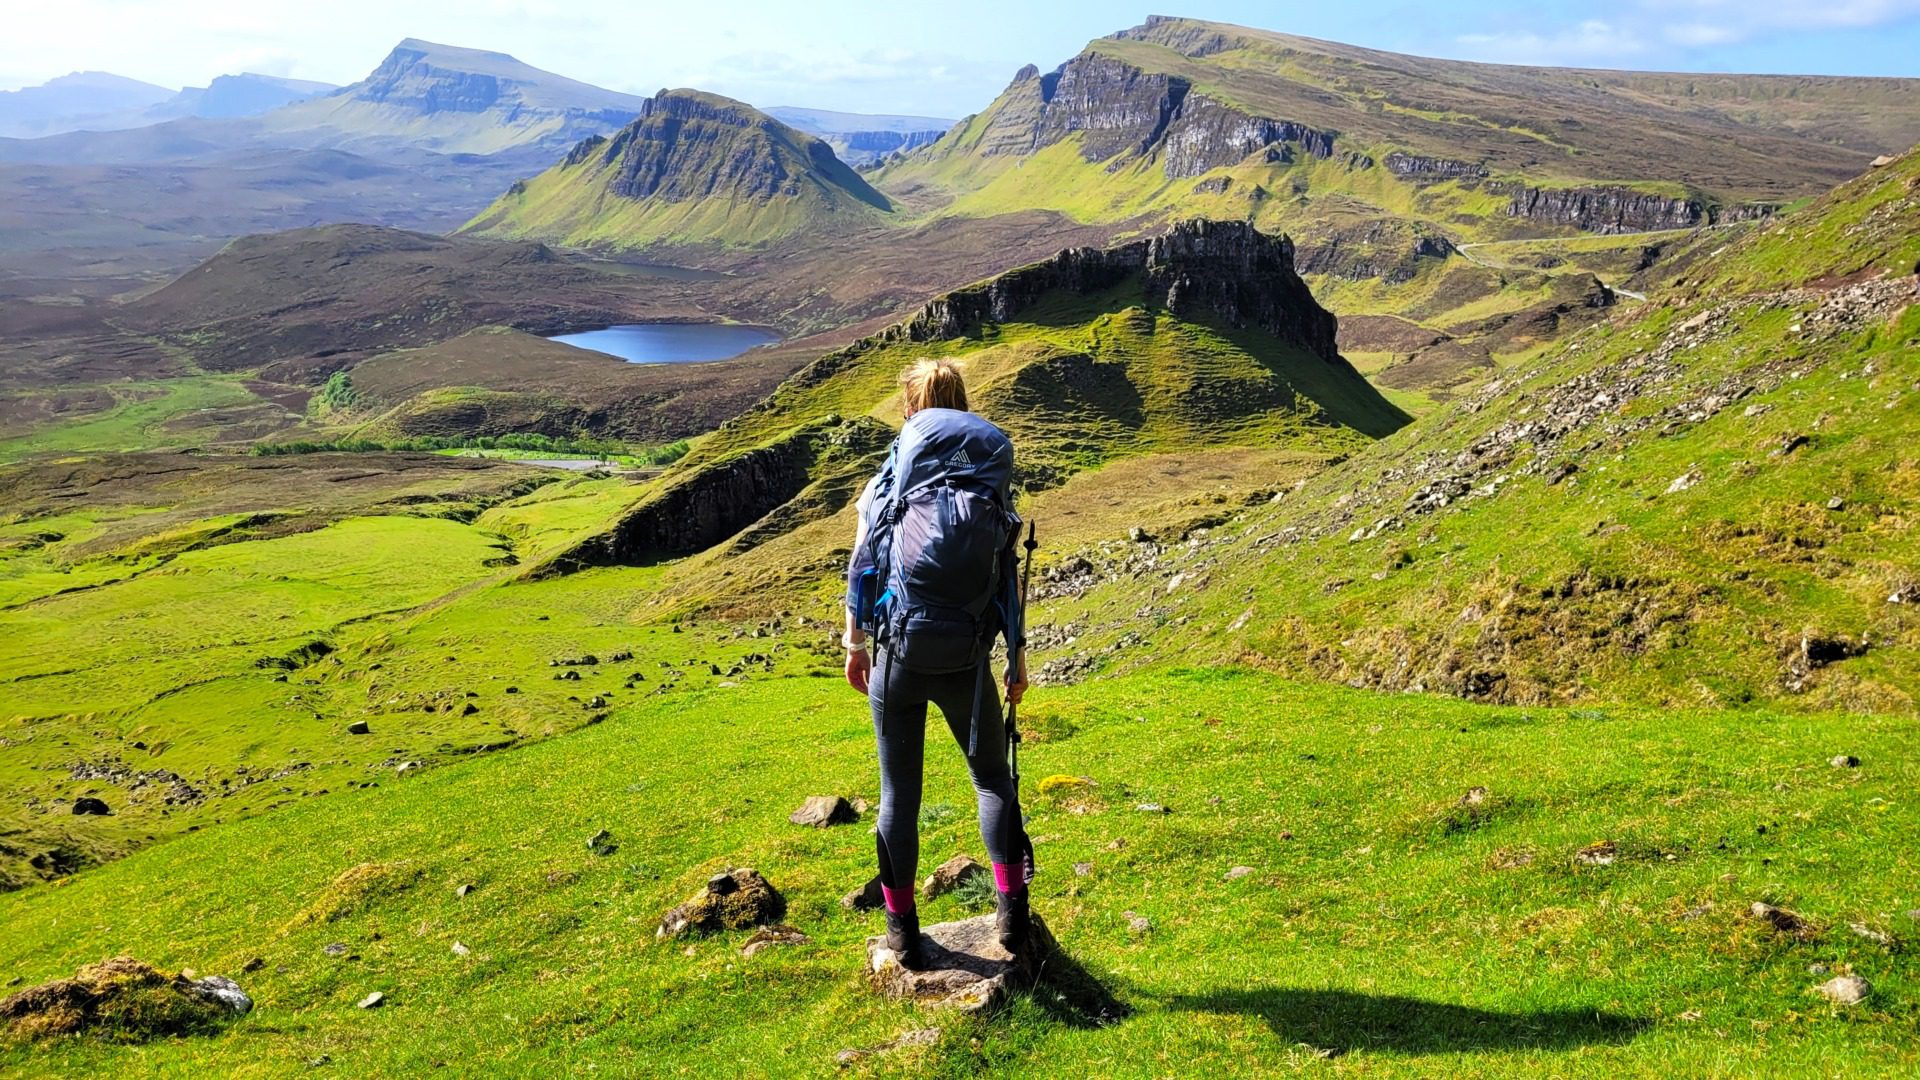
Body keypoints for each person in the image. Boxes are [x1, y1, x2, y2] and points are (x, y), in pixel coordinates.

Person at [843, 358, 1031, 969]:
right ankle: (1011, 915)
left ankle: (901, 930)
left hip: (899, 655)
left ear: (909, 408)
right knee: (991, 782)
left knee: (899, 796)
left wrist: (855, 643)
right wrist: (1017, 656)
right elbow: (1006, 573)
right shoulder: (989, 478)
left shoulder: (891, 477)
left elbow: (864, 563)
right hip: (968, 659)